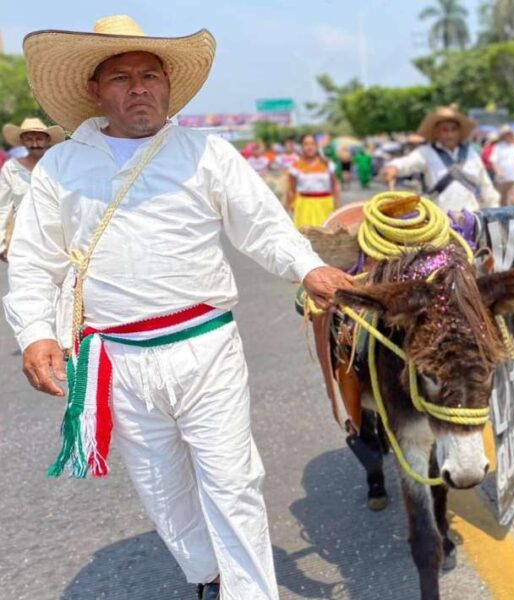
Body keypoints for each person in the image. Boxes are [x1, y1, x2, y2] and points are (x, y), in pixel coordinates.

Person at [4, 16, 353, 600]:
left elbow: (265, 228)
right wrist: (37, 331)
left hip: (206, 346)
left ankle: (249, 593)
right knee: (160, 485)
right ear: (96, 90)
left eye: (150, 74)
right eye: (121, 77)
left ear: (168, 86)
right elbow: (36, 260)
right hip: (117, 356)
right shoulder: (63, 166)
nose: (138, 87)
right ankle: (206, 575)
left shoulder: (207, 153)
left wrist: (308, 267)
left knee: (234, 480)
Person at [383, 105, 499, 213]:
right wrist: (394, 167)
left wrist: (494, 211)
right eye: (445, 130)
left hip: (471, 218)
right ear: (436, 132)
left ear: (460, 132)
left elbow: (486, 185)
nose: (450, 134)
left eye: (454, 129)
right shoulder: (426, 152)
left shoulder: (471, 153)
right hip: (440, 220)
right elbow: (406, 163)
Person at [0, 118, 65, 260]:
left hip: (55, 240)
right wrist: (1, 242)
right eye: (29, 139)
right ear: (22, 142)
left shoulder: (59, 166)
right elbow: (3, 206)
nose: (35, 144)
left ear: (48, 141)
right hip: (21, 238)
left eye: (39, 139)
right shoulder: (11, 168)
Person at [286, 132, 339, 229]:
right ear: (302, 146)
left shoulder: (327, 163)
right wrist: (290, 204)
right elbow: (291, 188)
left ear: (317, 146)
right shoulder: (296, 166)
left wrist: (337, 203)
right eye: (306, 144)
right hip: (304, 206)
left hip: (325, 205)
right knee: (305, 238)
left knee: (325, 236)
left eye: (312, 144)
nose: (309, 147)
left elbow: (335, 184)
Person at [492, 125, 514, 206]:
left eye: (510, 134)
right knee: (502, 200)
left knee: (513, 199)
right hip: (502, 178)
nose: (508, 136)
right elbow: (493, 161)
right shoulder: (498, 147)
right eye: (507, 134)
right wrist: (497, 171)